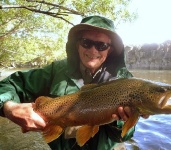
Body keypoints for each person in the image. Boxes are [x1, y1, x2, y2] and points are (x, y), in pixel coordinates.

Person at [0, 15, 147, 150]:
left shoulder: (126, 82)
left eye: (101, 45)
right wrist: (10, 108)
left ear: (110, 50)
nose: (93, 50)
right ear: (77, 44)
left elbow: (124, 136)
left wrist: (120, 121)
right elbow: (8, 86)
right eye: (86, 42)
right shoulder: (54, 71)